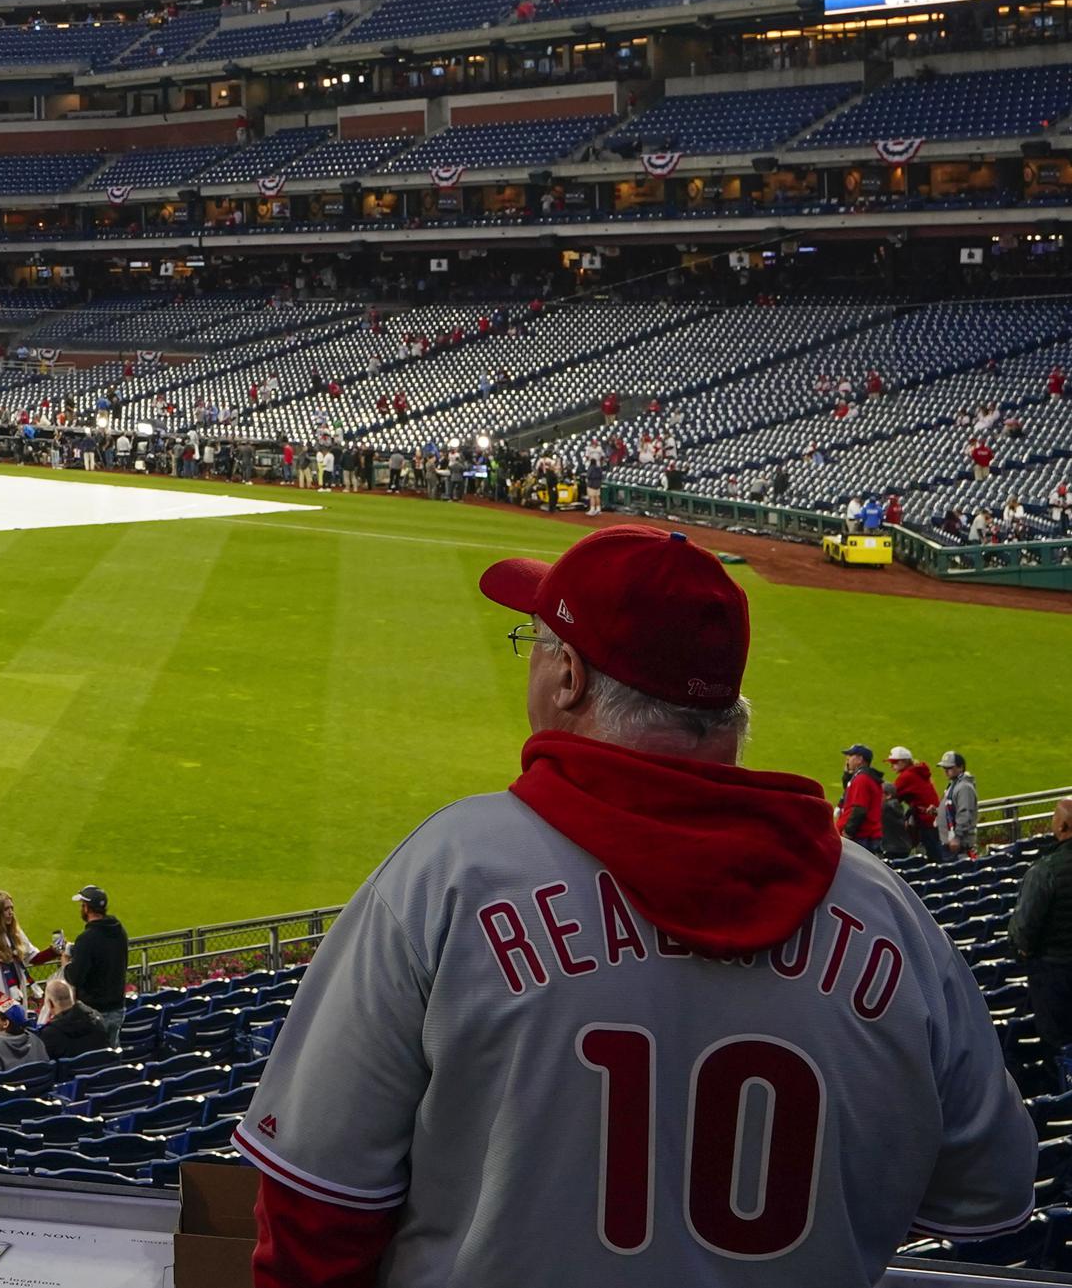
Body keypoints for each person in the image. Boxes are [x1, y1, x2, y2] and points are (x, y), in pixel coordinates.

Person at [241, 525, 1032, 1284]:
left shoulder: (451, 872)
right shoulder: (887, 912)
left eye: (538, 642)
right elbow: (987, 1195)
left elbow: (318, 1210)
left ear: (570, 678)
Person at [1014, 798, 1072, 1096]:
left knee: (1057, 1049)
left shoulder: (1045, 871)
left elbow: (1023, 932)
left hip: (1054, 978)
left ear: (1062, 826)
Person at [0, 888, 60, 1031]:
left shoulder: (15, 933)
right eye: (5, 909)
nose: (10, 912)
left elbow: (33, 957)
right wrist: (2, 999)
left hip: (13, 1008)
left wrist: (54, 951)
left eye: (11, 908)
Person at [64, 883, 130, 1038]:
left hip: (94, 1011)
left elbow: (75, 977)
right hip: (118, 1006)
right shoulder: (119, 931)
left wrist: (66, 963)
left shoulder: (87, 939)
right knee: (112, 1052)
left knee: (95, 1057)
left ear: (87, 908)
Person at [889, 745, 942, 862]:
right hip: (933, 819)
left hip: (926, 820)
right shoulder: (917, 772)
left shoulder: (907, 776)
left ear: (904, 762)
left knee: (935, 856)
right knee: (936, 854)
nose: (891, 766)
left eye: (894, 762)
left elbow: (890, 795)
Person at [835, 741, 886, 850]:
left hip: (861, 836)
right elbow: (849, 793)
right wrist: (847, 774)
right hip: (866, 835)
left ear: (860, 759)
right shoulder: (866, 777)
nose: (847, 759)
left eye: (850, 756)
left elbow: (859, 809)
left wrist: (848, 832)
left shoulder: (862, 779)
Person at [940, 750, 982, 859]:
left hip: (959, 845)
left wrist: (957, 837)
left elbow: (964, 813)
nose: (946, 771)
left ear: (960, 767)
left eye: (949, 768)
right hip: (951, 843)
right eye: (944, 768)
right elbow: (951, 809)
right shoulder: (953, 785)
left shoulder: (964, 787)